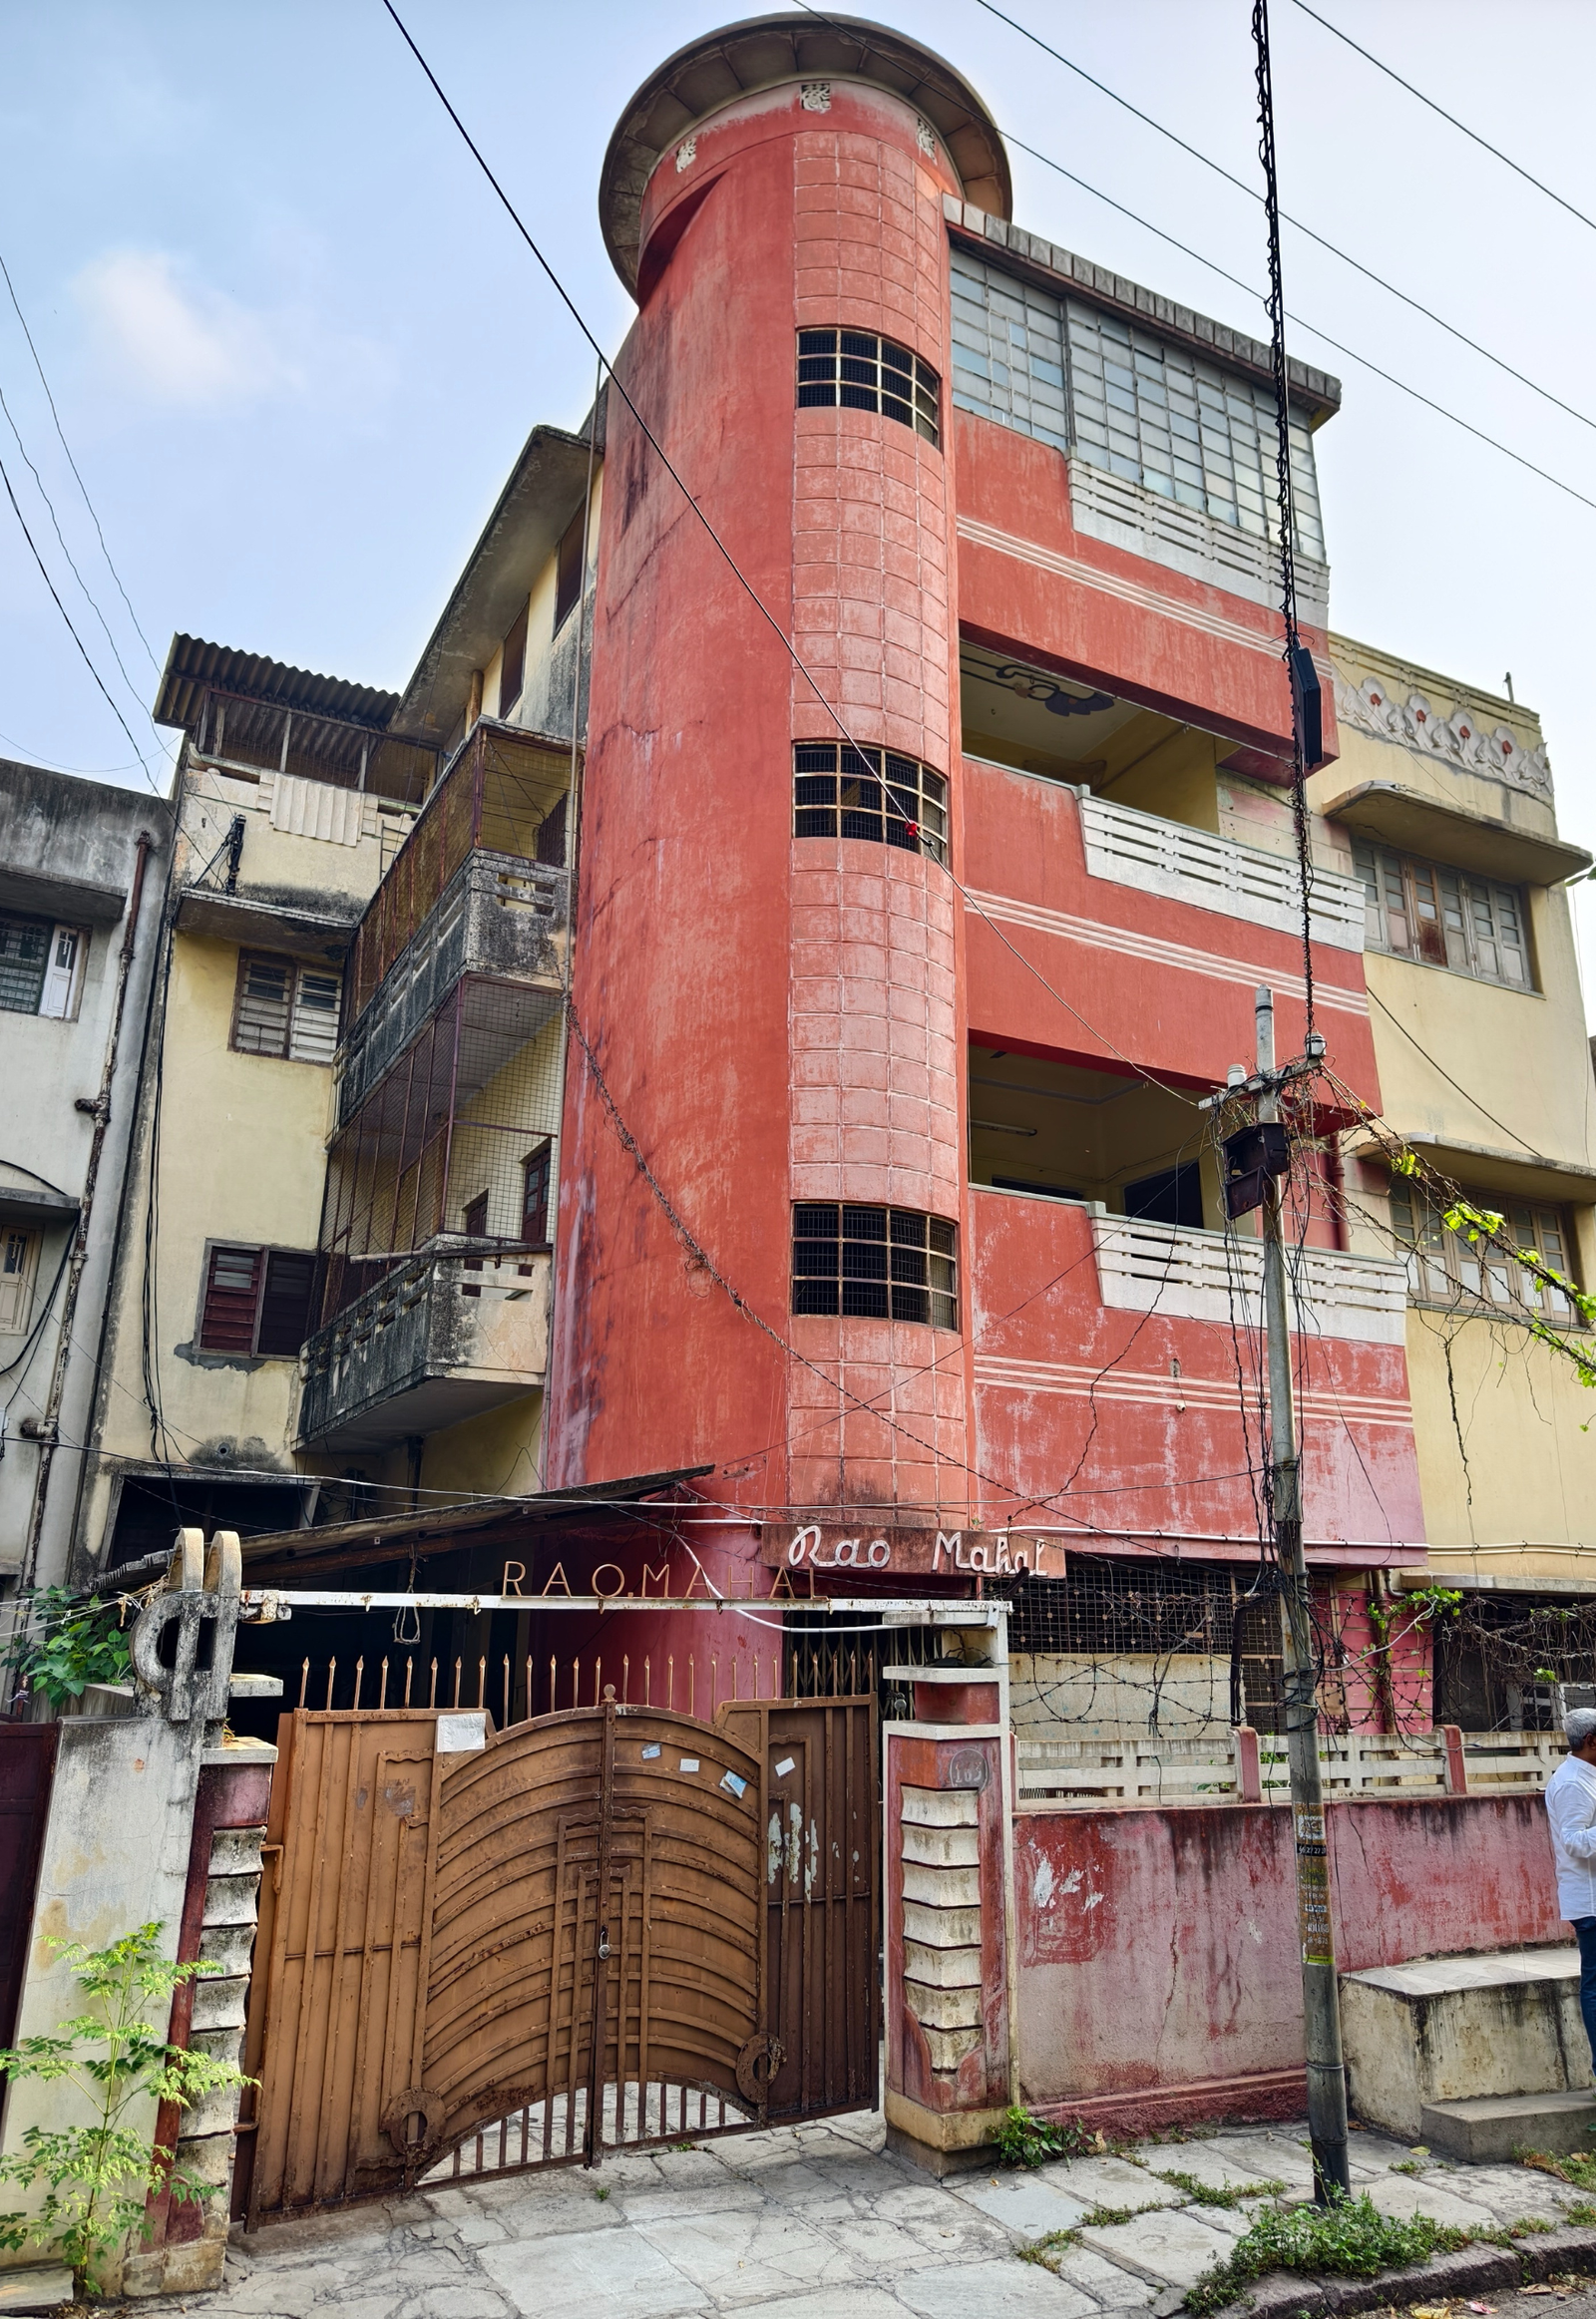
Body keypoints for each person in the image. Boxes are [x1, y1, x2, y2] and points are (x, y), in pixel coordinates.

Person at [1545, 1706, 1596, 2074]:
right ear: (1591, 1741)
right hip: (1591, 1902)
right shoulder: (1571, 1783)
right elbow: (1574, 1842)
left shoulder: (1589, 1776)